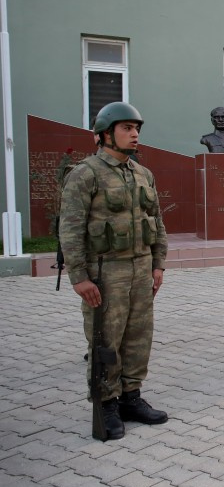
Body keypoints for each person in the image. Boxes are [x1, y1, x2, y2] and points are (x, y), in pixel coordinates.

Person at [59, 101, 169, 439]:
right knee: (106, 340)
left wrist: (158, 263)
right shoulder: (86, 173)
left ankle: (130, 397)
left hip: (140, 269)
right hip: (105, 272)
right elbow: (71, 228)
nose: (135, 133)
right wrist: (79, 276)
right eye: (126, 127)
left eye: (136, 128)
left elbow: (157, 222)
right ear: (105, 133)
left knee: (138, 336)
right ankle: (105, 403)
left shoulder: (142, 173)